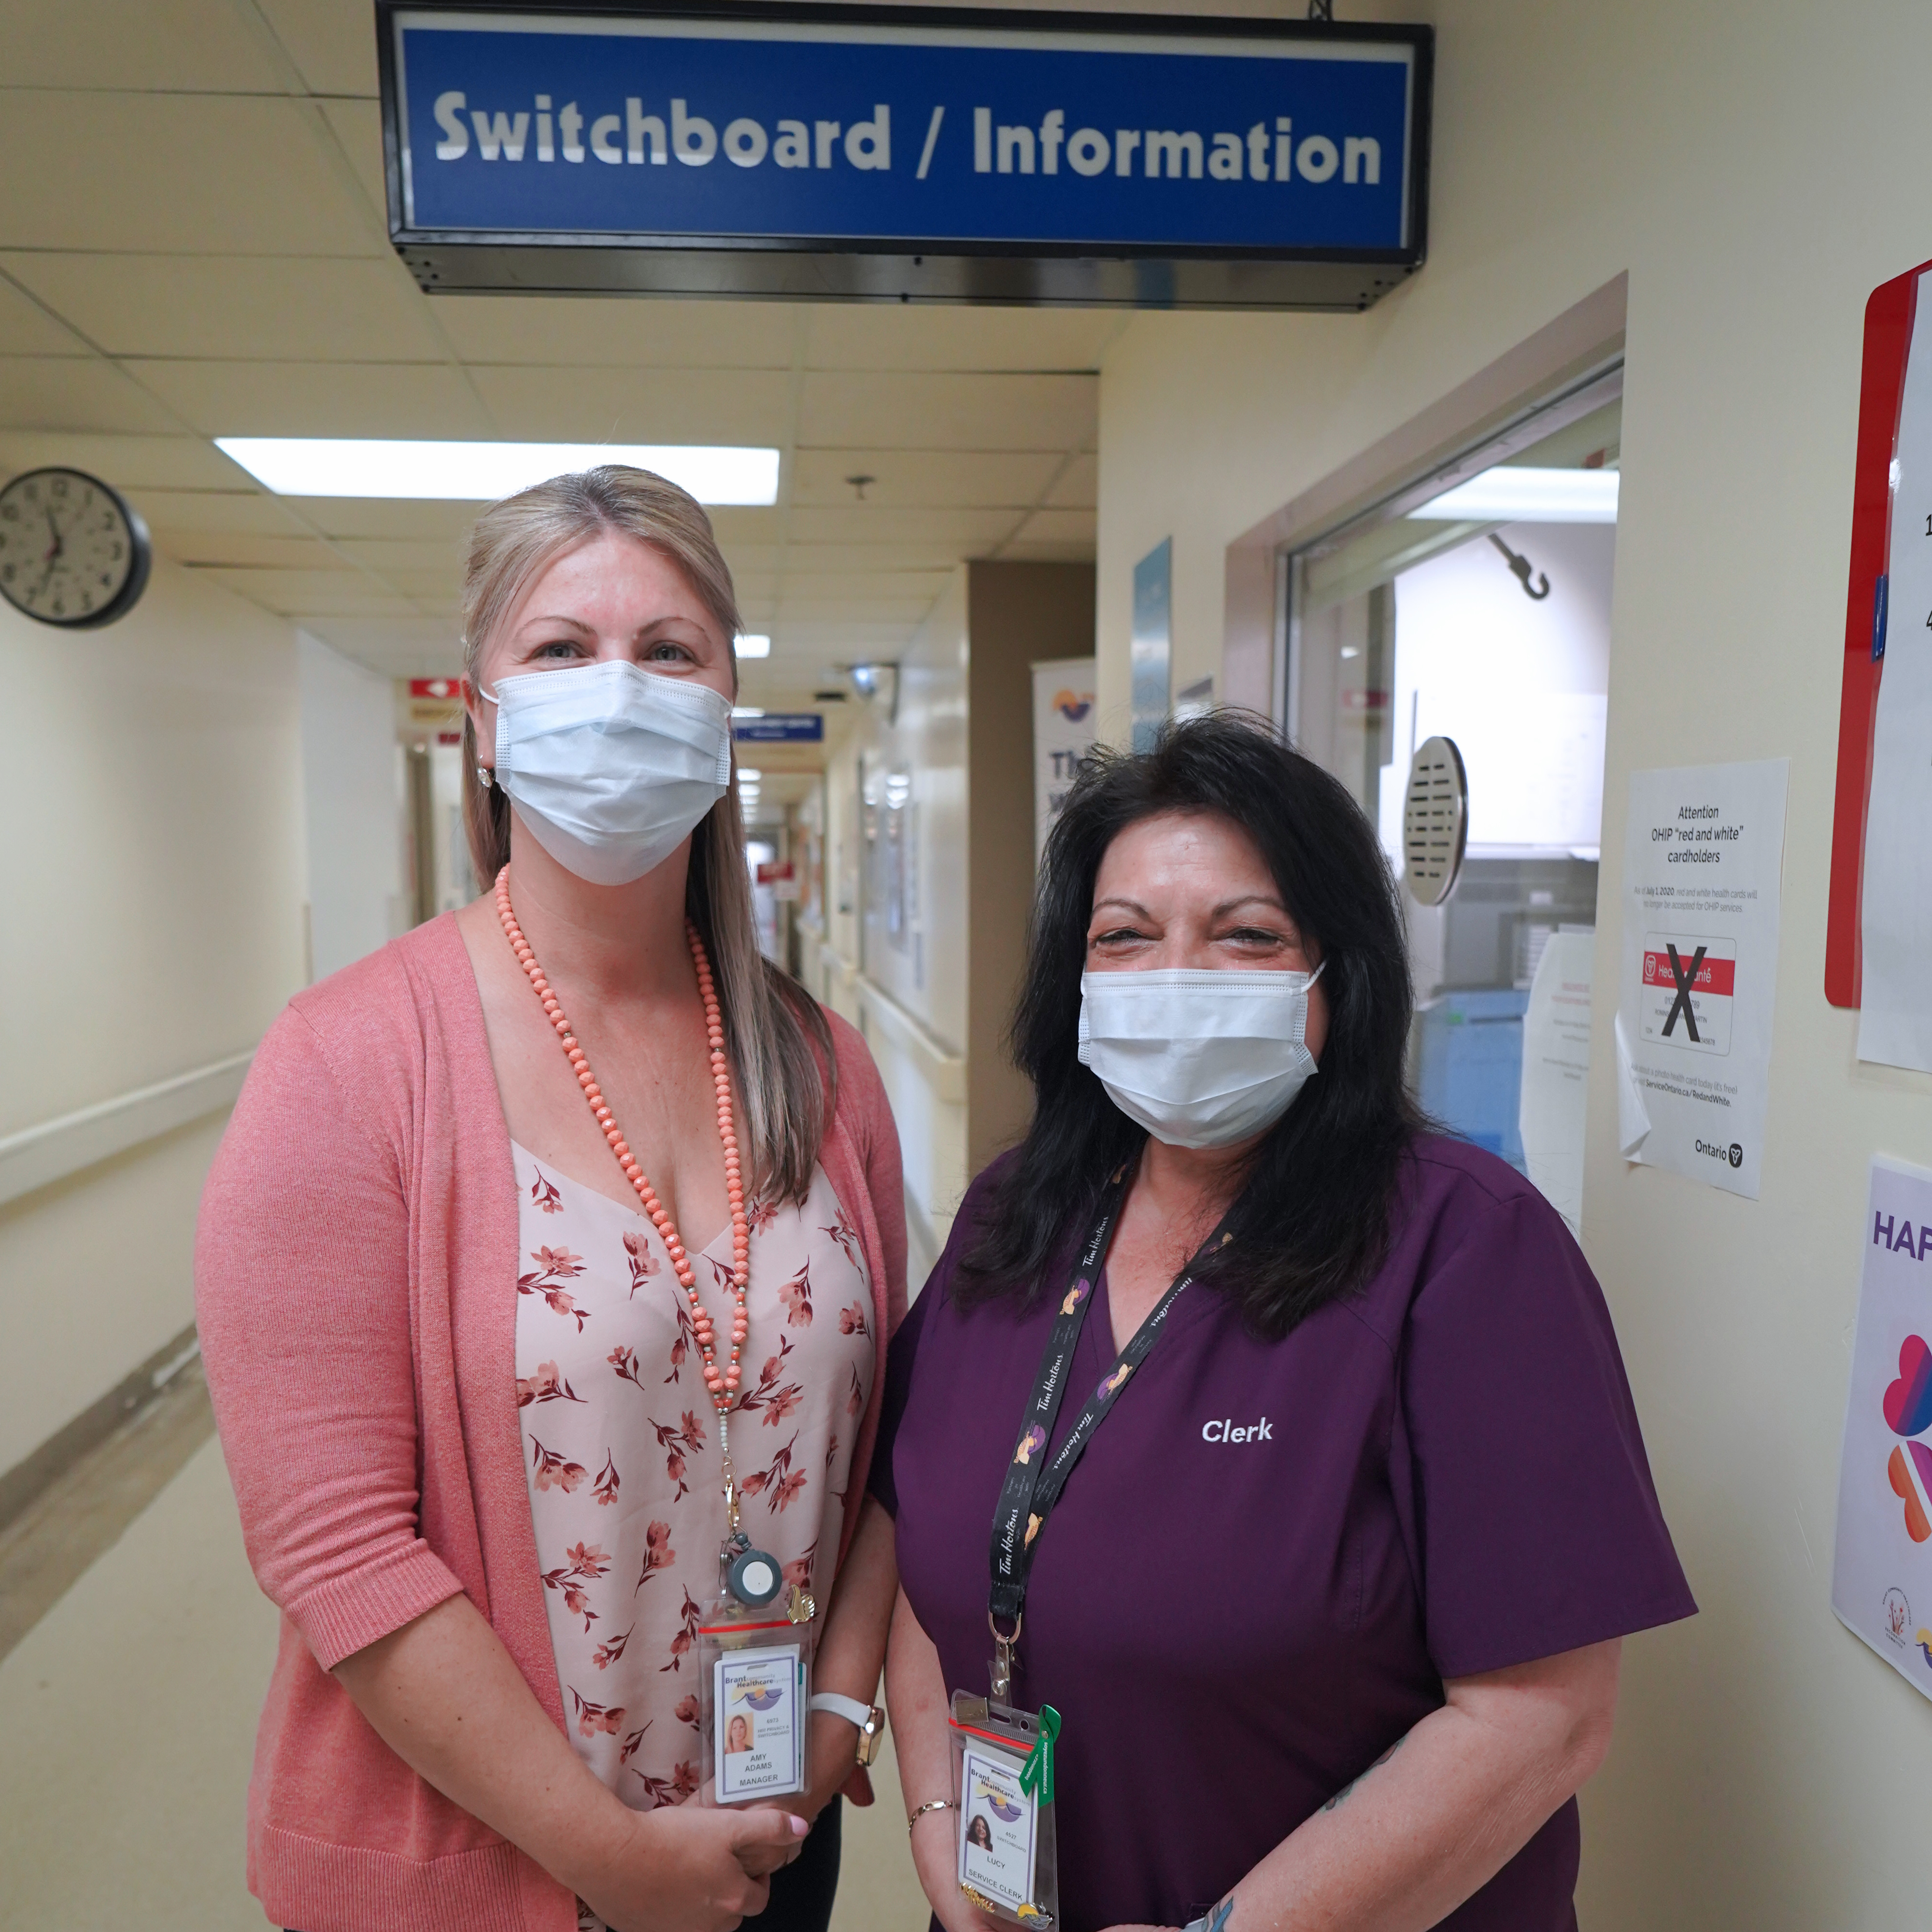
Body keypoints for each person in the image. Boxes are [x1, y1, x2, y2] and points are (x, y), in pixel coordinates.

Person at [197, 467, 905, 1932]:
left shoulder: (819, 1066)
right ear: (486, 717)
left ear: (722, 709)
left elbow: (899, 1429)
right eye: (561, 649)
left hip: (771, 1827)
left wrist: (841, 1699)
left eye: (669, 651)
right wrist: (604, 1853)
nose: (620, 690)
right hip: (493, 1861)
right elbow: (332, 1545)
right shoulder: (348, 1063)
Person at [875, 714, 1695, 1932]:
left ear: (1335, 976)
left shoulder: (1466, 1249)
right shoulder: (1016, 1218)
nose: (1176, 980)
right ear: (1076, 979)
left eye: (1245, 935)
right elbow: (923, 1547)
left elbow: (1541, 1716)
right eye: (1124, 937)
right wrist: (944, 1838)